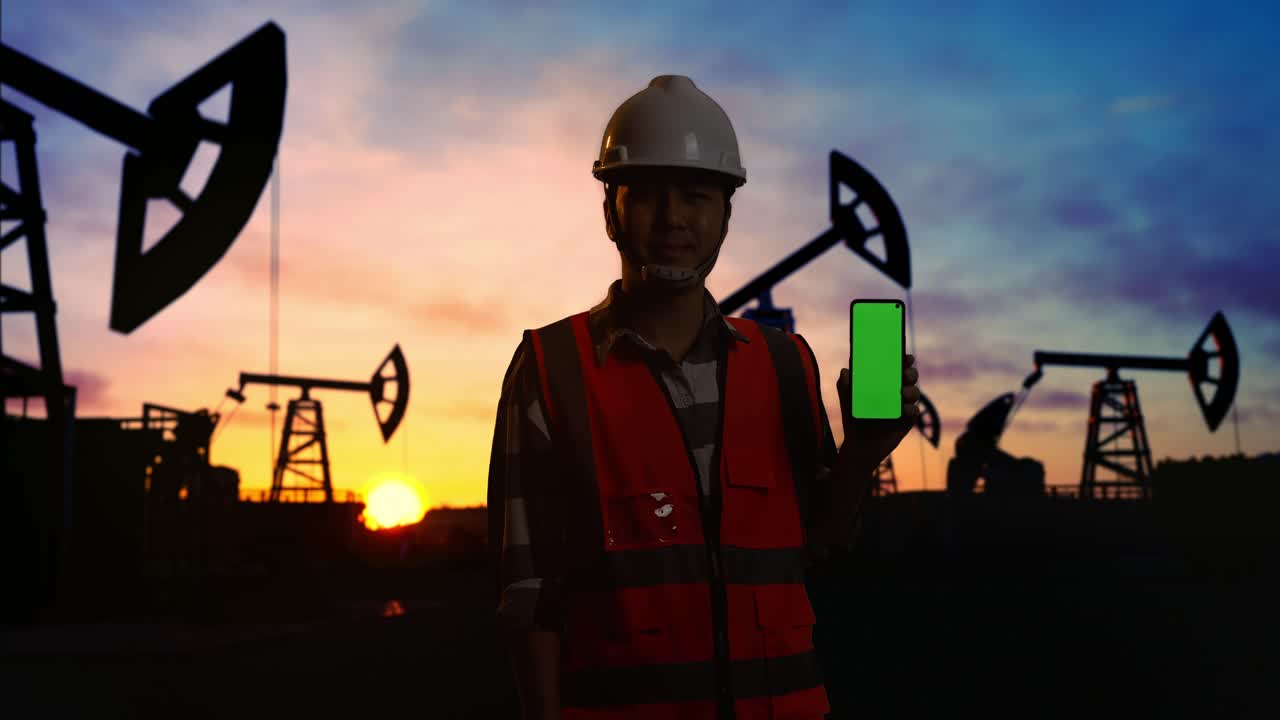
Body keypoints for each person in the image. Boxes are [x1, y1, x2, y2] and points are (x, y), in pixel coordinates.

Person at [487, 75, 921, 720]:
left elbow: (821, 540)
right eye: (648, 197)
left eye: (695, 196)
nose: (673, 220)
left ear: (725, 213)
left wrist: (861, 452)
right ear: (610, 210)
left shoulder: (784, 362)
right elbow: (530, 594)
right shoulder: (551, 371)